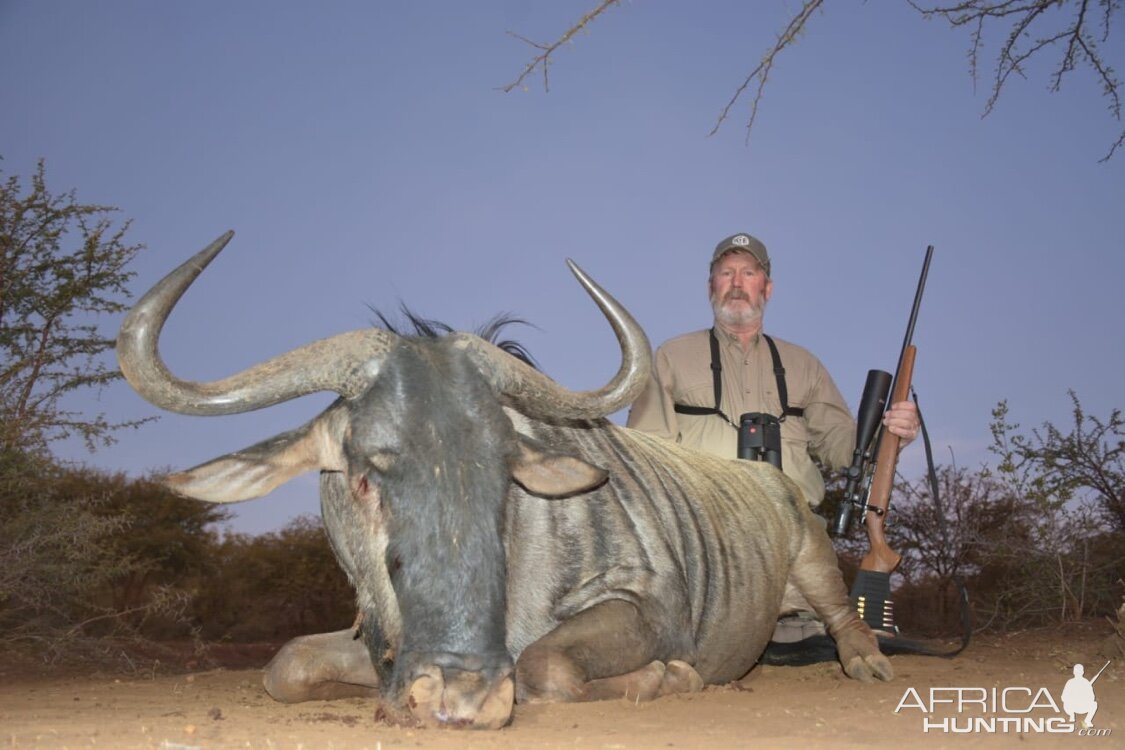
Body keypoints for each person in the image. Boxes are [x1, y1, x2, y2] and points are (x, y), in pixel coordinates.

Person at [626, 232, 920, 640]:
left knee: (822, 630)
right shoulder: (672, 356)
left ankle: (800, 622)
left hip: (795, 534)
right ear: (711, 285)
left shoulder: (804, 365)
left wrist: (891, 436)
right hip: (708, 529)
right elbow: (646, 453)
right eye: (725, 272)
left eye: (749, 272)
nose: (736, 282)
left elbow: (843, 450)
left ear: (767, 287)